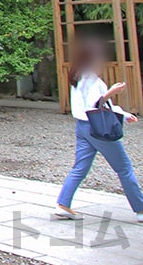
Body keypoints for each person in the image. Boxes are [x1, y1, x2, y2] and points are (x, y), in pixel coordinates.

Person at [55, 37, 142, 222]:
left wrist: (124, 114)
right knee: (124, 168)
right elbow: (97, 104)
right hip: (98, 128)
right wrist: (112, 91)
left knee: (79, 167)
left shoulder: (77, 76)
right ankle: (140, 209)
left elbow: (93, 105)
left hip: (82, 126)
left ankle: (63, 204)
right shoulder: (92, 79)